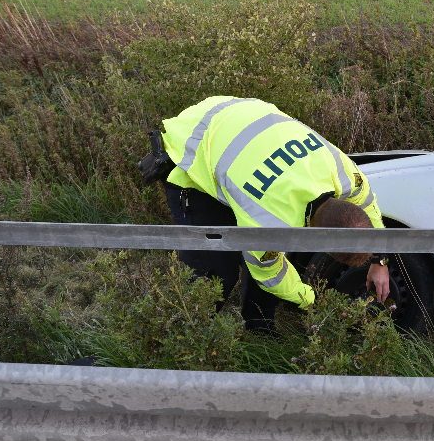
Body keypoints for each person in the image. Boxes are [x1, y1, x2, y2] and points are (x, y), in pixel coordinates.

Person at [139, 96, 390, 333]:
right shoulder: (269, 221)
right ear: (318, 241)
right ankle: (189, 339)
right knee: (216, 271)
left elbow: (368, 206)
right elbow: (270, 274)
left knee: (268, 252)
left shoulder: (343, 173)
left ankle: (259, 328)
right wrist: (313, 301)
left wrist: (379, 261)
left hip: (240, 117)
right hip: (193, 149)